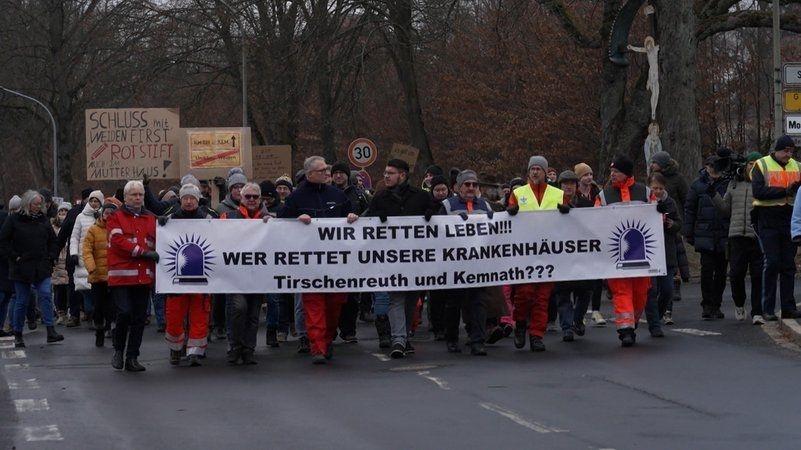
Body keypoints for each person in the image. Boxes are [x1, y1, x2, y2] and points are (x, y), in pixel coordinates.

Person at [279, 156, 359, 364]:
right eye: (322, 170)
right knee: (313, 308)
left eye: (327, 169)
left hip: (335, 264)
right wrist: (295, 220)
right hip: (309, 265)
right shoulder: (296, 198)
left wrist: (352, 217)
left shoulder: (337, 195)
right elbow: (281, 222)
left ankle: (327, 338)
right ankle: (318, 348)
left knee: (334, 306)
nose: (327, 173)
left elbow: (353, 214)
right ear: (309, 174)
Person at [365, 158, 430, 358]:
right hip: (391, 258)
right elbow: (367, 221)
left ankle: (405, 336)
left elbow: (438, 217)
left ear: (402, 175)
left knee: (411, 299)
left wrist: (431, 215)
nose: (385, 176)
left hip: (415, 258)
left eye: (390, 173)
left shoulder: (420, 197)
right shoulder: (380, 197)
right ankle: (398, 339)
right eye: (385, 173)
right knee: (396, 297)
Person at [595, 155, 657, 347]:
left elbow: (656, 219)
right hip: (616, 254)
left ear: (627, 173)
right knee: (621, 291)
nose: (612, 175)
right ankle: (625, 330)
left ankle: (633, 321)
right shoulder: (604, 196)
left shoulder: (645, 193)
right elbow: (594, 221)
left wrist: (660, 212)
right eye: (611, 171)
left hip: (641, 253)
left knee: (640, 292)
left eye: (616, 171)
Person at [506, 155, 565, 352]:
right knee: (524, 294)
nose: (535, 172)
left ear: (545, 172)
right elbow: (508, 217)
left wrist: (568, 211)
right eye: (533, 169)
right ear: (528, 171)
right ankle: (521, 324)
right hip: (525, 254)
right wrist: (510, 212)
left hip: (549, 253)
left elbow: (570, 221)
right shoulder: (518, 193)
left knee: (542, 298)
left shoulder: (557, 194)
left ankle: (537, 335)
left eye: (539, 168)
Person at [160, 184, 215, 366]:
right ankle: (175, 349)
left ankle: (195, 352)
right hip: (176, 277)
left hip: (202, 274)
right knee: (175, 314)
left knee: (200, 314)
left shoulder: (209, 218)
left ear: (197, 200)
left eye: (192, 198)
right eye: (185, 198)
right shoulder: (169, 219)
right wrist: (160, 225)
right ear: (180, 200)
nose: (189, 201)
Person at [0, 190, 64, 348]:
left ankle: (50, 330)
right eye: (36, 204)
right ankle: (18, 333)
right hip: (21, 267)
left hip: (41, 265)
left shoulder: (43, 220)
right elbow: (3, 241)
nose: (39, 207)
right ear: (27, 204)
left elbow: (53, 241)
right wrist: (14, 257)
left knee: (45, 294)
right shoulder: (14, 220)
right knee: (22, 300)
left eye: (40, 204)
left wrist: (51, 256)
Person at [439, 170, 492, 355]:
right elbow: (437, 233)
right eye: (467, 184)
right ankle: (452, 339)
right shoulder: (447, 205)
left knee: (478, 302)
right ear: (459, 187)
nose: (471, 188)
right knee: (454, 303)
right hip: (455, 264)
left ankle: (477, 340)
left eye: (474, 185)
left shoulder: (485, 205)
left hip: (478, 264)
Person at [107, 180, 158, 372]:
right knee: (124, 313)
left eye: (141, 195)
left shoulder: (151, 218)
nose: (137, 198)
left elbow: (160, 239)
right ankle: (118, 350)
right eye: (133, 195)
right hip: (121, 277)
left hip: (142, 276)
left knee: (139, 318)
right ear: (125, 197)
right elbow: (117, 241)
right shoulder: (116, 217)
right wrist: (142, 252)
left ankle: (132, 357)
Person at [712, 152, 764, 324]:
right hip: (736, 237)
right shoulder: (734, 184)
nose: (753, 167)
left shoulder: (763, 184)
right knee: (736, 274)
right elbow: (725, 209)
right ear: (745, 165)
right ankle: (740, 303)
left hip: (756, 236)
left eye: (757, 164)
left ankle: (757, 311)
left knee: (757, 275)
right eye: (751, 164)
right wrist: (714, 195)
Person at [754, 135, 801, 320]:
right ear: (776, 150)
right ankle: (768, 308)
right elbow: (758, 192)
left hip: (790, 217)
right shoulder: (762, 164)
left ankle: (788, 307)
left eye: (791, 151)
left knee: (788, 265)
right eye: (785, 151)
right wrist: (785, 191)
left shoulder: (797, 166)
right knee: (772, 262)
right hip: (768, 217)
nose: (788, 155)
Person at [221, 182, 268, 364]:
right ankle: (235, 346)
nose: (251, 200)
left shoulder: (267, 219)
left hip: (257, 274)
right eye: (247, 196)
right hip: (235, 275)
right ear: (241, 197)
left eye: (255, 197)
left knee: (253, 314)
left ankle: (249, 349)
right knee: (239, 309)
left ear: (260, 199)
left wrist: (272, 225)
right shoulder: (228, 217)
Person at [684, 154, 730, 320]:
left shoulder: (727, 183)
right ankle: (707, 304)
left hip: (723, 233)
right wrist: (688, 232)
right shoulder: (698, 185)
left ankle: (716, 304)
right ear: (707, 167)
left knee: (721, 272)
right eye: (711, 166)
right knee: (707, 270)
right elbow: (690, 209)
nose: (713, 169)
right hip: (705, 233)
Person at [331, 161, 370, 343]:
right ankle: (330, 329)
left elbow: (370, 214)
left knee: (352, 295)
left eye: (341, 173)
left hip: (353, 251)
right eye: (335, 173)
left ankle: (348, 330)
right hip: (330, 250)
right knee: (330, 294)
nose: (338, 176)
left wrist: (359, 219)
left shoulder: (359, 195)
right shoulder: (326, 193)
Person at [552, 171, 593, 342]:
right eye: (565, 184)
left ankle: (577, 319)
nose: (568, 187)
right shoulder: (552, 204)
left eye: (571, 183)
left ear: (576, 186)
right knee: (563, 295)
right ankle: (567, 327)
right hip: (561, 256)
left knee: (585, 291)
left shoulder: (585, 203)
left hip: (582, 255)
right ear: (560, 186)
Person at [649, 151, 690, 303]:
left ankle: (676, 283)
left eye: (655, 162)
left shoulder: (677, 178)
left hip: (673, 217)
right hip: (656, 222)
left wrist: (681, 221)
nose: (652, 164)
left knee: (676, 255)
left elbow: (686, 198)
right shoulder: (652, 178)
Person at [645, 173, 681, 332]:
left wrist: (671, 224)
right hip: (649, 253)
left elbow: (679, 224)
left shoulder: (670, 202)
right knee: (651, 290)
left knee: (667, 290)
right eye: (654, 188)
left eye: (660, 188)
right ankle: (654, 323)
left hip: (667, 252)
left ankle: (658, 315)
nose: (658, 191)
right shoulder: (644, 202)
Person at [83, 197, 120, 347]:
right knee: (98, 306)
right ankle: (99, 329)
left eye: (111, 212)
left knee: (113, 306)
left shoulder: (118, 230)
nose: (108, 215)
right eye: (106, 212)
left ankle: (110, 328)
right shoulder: (93, 229)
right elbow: (86, 250)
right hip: (98, 275)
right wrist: (91, 266)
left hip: (115, 276)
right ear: (102, 213)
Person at [574, 162, 607, 327]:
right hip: (578, 240)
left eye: (590, 174)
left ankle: (596, 309)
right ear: (579, 178)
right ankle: (578, 312)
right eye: (585, 175)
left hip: (596, 238)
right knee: (579, 276)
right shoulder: (574, 194)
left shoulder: (598, 193)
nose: (589, 177)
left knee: (598, 276)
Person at [69, 189, 104, 326]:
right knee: (85, 288)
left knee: (97, 289)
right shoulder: (80, 217)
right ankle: (90, 312)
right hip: (84, 257)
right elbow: (74, 237)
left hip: (100, 257)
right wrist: (73, 253)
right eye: (92, 201)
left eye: (97, 201)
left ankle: (97, 317)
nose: (94, 204)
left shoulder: (103, 216)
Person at [426, 175, 450, 341]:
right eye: (437, 190)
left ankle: (448, 326)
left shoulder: (453, 206)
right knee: (436, 295)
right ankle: (438, 325)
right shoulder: (427, 206)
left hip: (452, 256)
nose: (441, 193)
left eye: (443, 189)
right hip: (434, 257)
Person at [52, 202, 71, 326]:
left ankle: (70, 310)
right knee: (58, 288)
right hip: (58, 259)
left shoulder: (72, 225)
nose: (63, 215)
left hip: (68, 258)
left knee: (69, 287)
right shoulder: (53, 227)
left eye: (65, 212)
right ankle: (60, 312)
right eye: (61, 212)